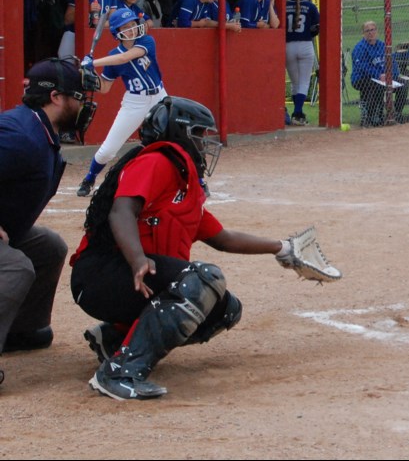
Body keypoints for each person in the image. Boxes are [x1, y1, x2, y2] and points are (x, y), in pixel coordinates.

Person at [70, 96, 308, 400]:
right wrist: (137, 259)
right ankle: (120, 372)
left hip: (130, 276)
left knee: (225, 308)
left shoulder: (182, 187)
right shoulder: (156, 160)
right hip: (100, 274)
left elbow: (223, 238)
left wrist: (282, 248)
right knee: (204, 278)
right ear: (178, 132)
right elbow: (121, 211)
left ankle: (115, 339)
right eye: (197, 134)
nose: (202, 143)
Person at [1, 57, 98, 385]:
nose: (85, 104)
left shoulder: (39, 130)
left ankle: (21, 330)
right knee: (16, 266)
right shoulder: (20, 136)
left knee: (47, 247)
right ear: (56, 97)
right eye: (79, 96)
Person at [77, 8, 168, 197]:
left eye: (133, 25)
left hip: (160, 97)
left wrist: (93, 63)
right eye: (126, 27)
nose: (132, 29)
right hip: (135, 102)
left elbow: (126, 57)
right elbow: (104, 88)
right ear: (117, 33)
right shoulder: (112, 56)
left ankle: (198, 181)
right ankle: (90, 178)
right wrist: (89, 74)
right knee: (107, 150)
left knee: (176, 139)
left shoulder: (146, 41)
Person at [351, 21, 408, 127]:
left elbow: (393, 63)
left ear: (376, 31)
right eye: (367, 31)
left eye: (372, 30)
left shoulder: (383, 45)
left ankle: (395, 113)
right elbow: (363, 67)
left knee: (403, 84)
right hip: (362, 78)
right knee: (375, 86)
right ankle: (374, 116)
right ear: (363, 33)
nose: (370, 33)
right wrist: (379, 75)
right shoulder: (359, 48)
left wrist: (391, 76)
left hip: (383, 78)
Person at [285, 0, 321, 126]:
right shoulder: (311, 7)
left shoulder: (285, 5)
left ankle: (297, 113)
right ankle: (298, 113)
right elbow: (316, 28)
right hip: (305, 45)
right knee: (304, 82)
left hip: (287, 46)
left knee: (295, 82)